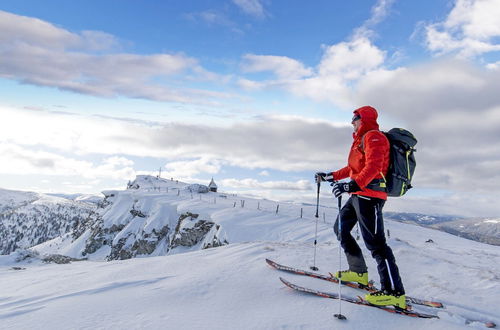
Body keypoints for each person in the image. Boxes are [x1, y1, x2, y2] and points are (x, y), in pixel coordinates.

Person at [315, 105, 406, 309]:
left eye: (354, 119)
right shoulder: (360, 141)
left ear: (363, 119)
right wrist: (330, 176)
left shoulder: (374, 137)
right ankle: (358, 272)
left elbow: (373, 167)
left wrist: (352, 184)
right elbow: (353, 168)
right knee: (341, 228)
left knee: (376, 244)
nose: (351, 123)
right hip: (358, 195)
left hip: (370, 197)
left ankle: (394, 293)